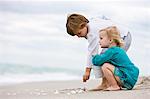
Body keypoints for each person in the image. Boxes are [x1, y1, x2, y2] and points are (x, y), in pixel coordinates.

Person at [66, 13, 132, 90]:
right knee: (105, 57)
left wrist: (87, 71)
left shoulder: (92, 33)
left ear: (83, 25)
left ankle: (109, 83)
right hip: (123, 34)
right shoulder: (92, 21)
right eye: (76, 35)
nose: (78, 36)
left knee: (105, 58)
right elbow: (103, 16)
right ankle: (108, 82)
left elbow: (92, 53)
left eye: (79, 33)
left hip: (123, 37)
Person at [92, 26, 139, 91]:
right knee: (108, 64)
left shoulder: (112, 51)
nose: (99, 41)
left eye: (101, 38)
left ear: (110, 40)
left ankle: (114, 86)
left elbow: (97, 61)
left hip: (126, 78)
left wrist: (94, 56)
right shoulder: (118, 50)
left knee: (105, 66)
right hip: (130, 78)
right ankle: (113, 84)